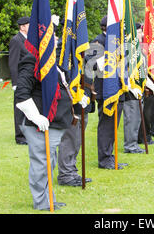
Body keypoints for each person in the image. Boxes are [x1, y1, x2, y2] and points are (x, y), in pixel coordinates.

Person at [15, 51, 86, 210]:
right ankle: (42, 203)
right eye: (51, 33)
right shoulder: (32, 59)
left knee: (49, 162)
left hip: (55, 122)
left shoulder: (52, 59)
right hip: (39, 122)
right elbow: (22, 92)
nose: (54, 37)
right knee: (41, 163)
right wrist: (35, 116)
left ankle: (49, 199)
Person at [55, 18, 94, 186]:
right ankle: (65, 174)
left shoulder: (80, 49)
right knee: (69, 138)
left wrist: (87, 93)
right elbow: (62, 76)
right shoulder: (61, 52)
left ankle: (72, 170)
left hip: (82, 100)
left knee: (77, 138)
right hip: (70, 101)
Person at [87, 16, 129, 169]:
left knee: (113, 125)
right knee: (106, 125)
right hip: (106, 89)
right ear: (107, 27)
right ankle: (104, 159)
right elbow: (91, 62)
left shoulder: (116, 42)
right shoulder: (98, 41)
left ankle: (110, 155)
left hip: (118, 88)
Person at [122, 22, 146, 154]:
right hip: (130, 88)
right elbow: (125, 69)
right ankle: (130, 145)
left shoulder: (137, 48)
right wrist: (131, 87)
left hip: (138, 87)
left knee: (137, 118)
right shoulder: (128, 49)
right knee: (131, 118)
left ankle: (134, 143)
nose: (142, 34)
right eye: (139, 31)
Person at [8, 16, 30, 145]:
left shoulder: (28, 40)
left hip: (28, 79)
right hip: (21, 79)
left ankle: (27, 132)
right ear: (22, 27)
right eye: (29, 25)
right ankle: (20, 136)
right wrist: (15, 83)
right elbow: (13, 62)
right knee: (20, 108)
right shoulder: (16, 40)